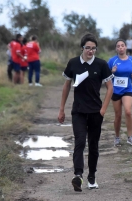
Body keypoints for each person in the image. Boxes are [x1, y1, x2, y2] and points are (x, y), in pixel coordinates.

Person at [57, 33, 113, 192]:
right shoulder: (73, 63)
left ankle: (92, 176)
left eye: (93, 48)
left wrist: (103, 109)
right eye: (88, 48)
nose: (90, 51)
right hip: (79, 111)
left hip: (96, 112)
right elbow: (66, 86)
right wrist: (62, 109)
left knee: (93, 145)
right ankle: (78, 176)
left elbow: (110, 88)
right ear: (82, 48)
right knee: (80, 142)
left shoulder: (101, 64)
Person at [108, 39, 132, 147]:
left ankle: (130, 137)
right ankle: (117, 137)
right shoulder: (112, 61)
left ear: (125, 47)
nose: (120, 47)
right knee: (118, 116)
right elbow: (105, 76)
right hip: (115, 90)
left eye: (122, 45)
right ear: (116, 49)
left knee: (128, 112)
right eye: (118, 46)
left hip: (127, 89)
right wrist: (112, 72)